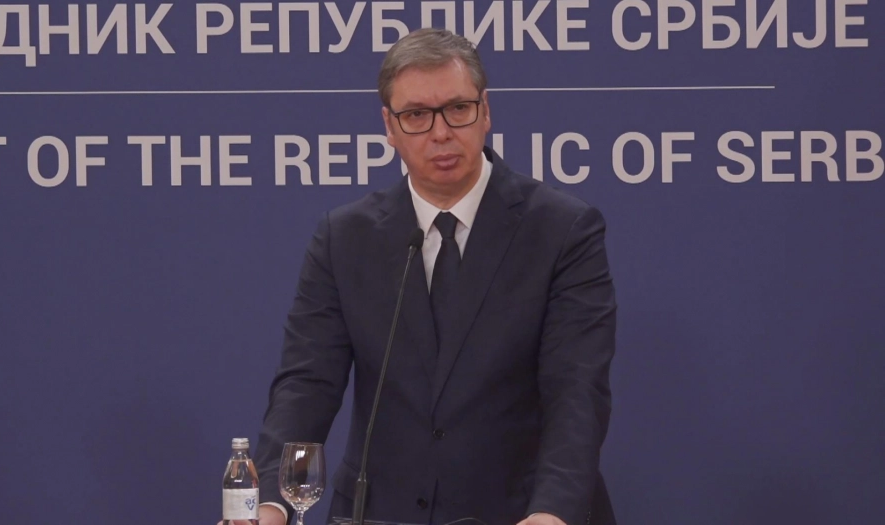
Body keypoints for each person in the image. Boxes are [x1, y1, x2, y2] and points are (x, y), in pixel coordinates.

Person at [225, 28, 617, 525]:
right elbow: (307, 384)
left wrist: (552, 512)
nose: (441, 132)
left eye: (458, 108)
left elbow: (576, 392)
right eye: (416, 116)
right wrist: (269, 505)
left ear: (485, 110)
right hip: (378, 512)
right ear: (389, 126)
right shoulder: (345, 237)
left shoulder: (562, 229)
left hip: (520, 512)